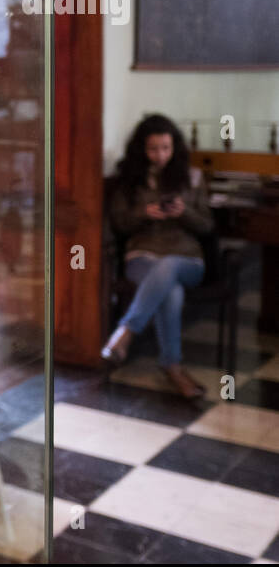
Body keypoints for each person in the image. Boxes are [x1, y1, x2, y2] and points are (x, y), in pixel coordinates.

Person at [102, 114, 215, 398]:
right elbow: (119, 223)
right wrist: (144, 213)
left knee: (170, 267)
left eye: (166, 148)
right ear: (142, 148)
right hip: (143, 255)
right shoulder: (129, 179)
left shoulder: (192, 177)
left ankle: (125, 332)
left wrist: (184, 212)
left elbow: (208, 225)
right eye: (153, 149)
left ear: (174, 146)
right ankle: (173, 368)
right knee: (171, 291)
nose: (160, 155)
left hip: (186, 258)